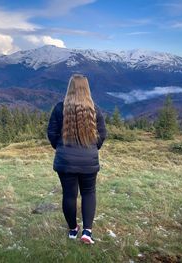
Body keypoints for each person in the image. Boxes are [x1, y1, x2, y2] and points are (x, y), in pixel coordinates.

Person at [47, 74, 107, 244]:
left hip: (65, 161)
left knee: (69, 195)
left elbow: (51, 133)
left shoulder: (60, 108)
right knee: (89, 193)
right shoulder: (94, 109)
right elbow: (102, 134)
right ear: (86, 89)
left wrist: (60, 148)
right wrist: (93, 149)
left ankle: (73, 230)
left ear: (70, 88)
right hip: (89, 160)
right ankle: (87, 232)